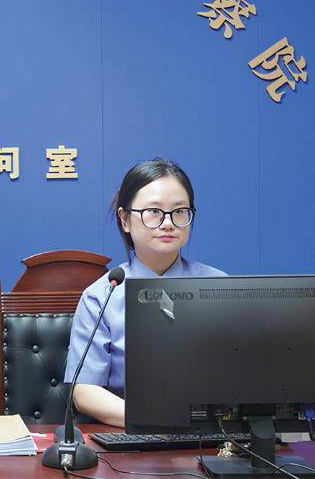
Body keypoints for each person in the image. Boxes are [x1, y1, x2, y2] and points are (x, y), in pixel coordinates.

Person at [65, 158, 226, 427]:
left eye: (179, 211)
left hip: (209, 436)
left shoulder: (219, 287)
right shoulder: (102, 296)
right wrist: (158, 419)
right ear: (125, 219)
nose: (168, 223)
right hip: (128, 433)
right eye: (153, 211)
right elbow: (84, 391)